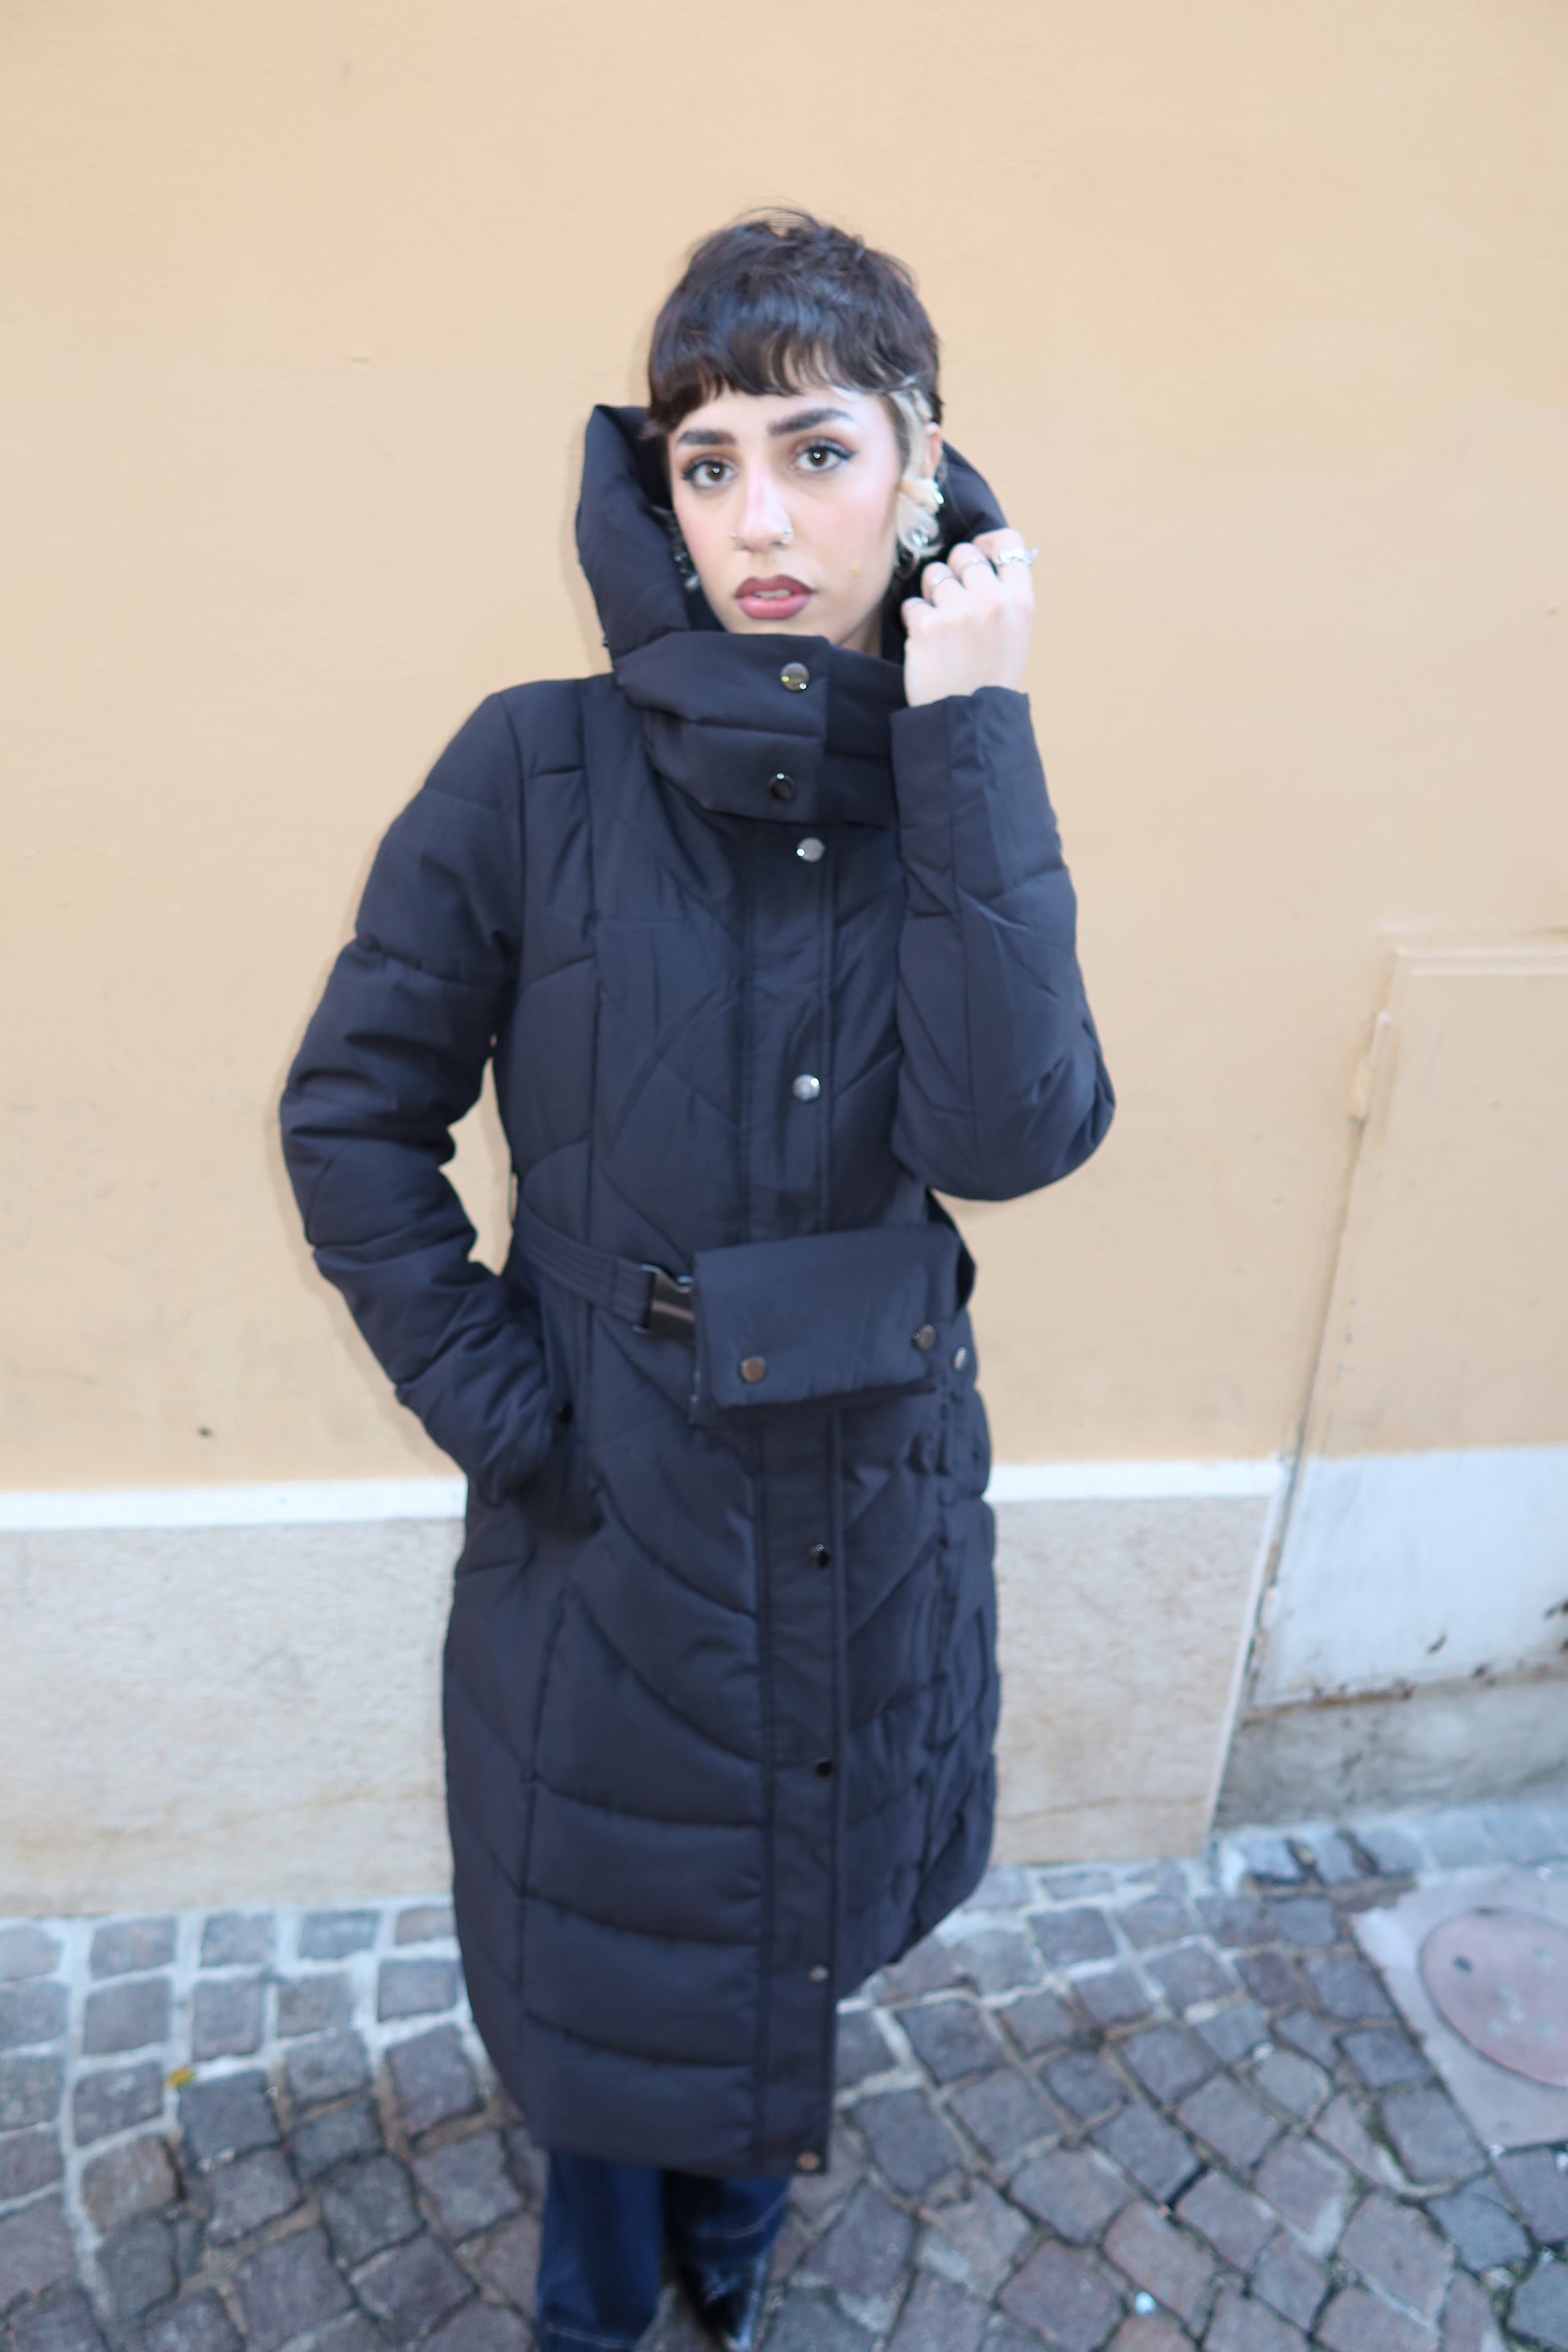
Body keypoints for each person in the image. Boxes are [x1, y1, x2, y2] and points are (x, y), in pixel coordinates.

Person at [279, 209, 1114, 2352]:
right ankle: (600, 2304)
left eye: (817, 454)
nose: (759, 520)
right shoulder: (531, 767)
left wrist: (973, 739)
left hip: (871, 1508)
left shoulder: (952, 767)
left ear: (917, 470)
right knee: (609, 1976)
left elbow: (1012, 1135)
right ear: (658, 488)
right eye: (708, 462)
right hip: (614, 1517)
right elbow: (352, 1116)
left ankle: (733, 2266)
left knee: (791, 1937)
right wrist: (510, 1410)